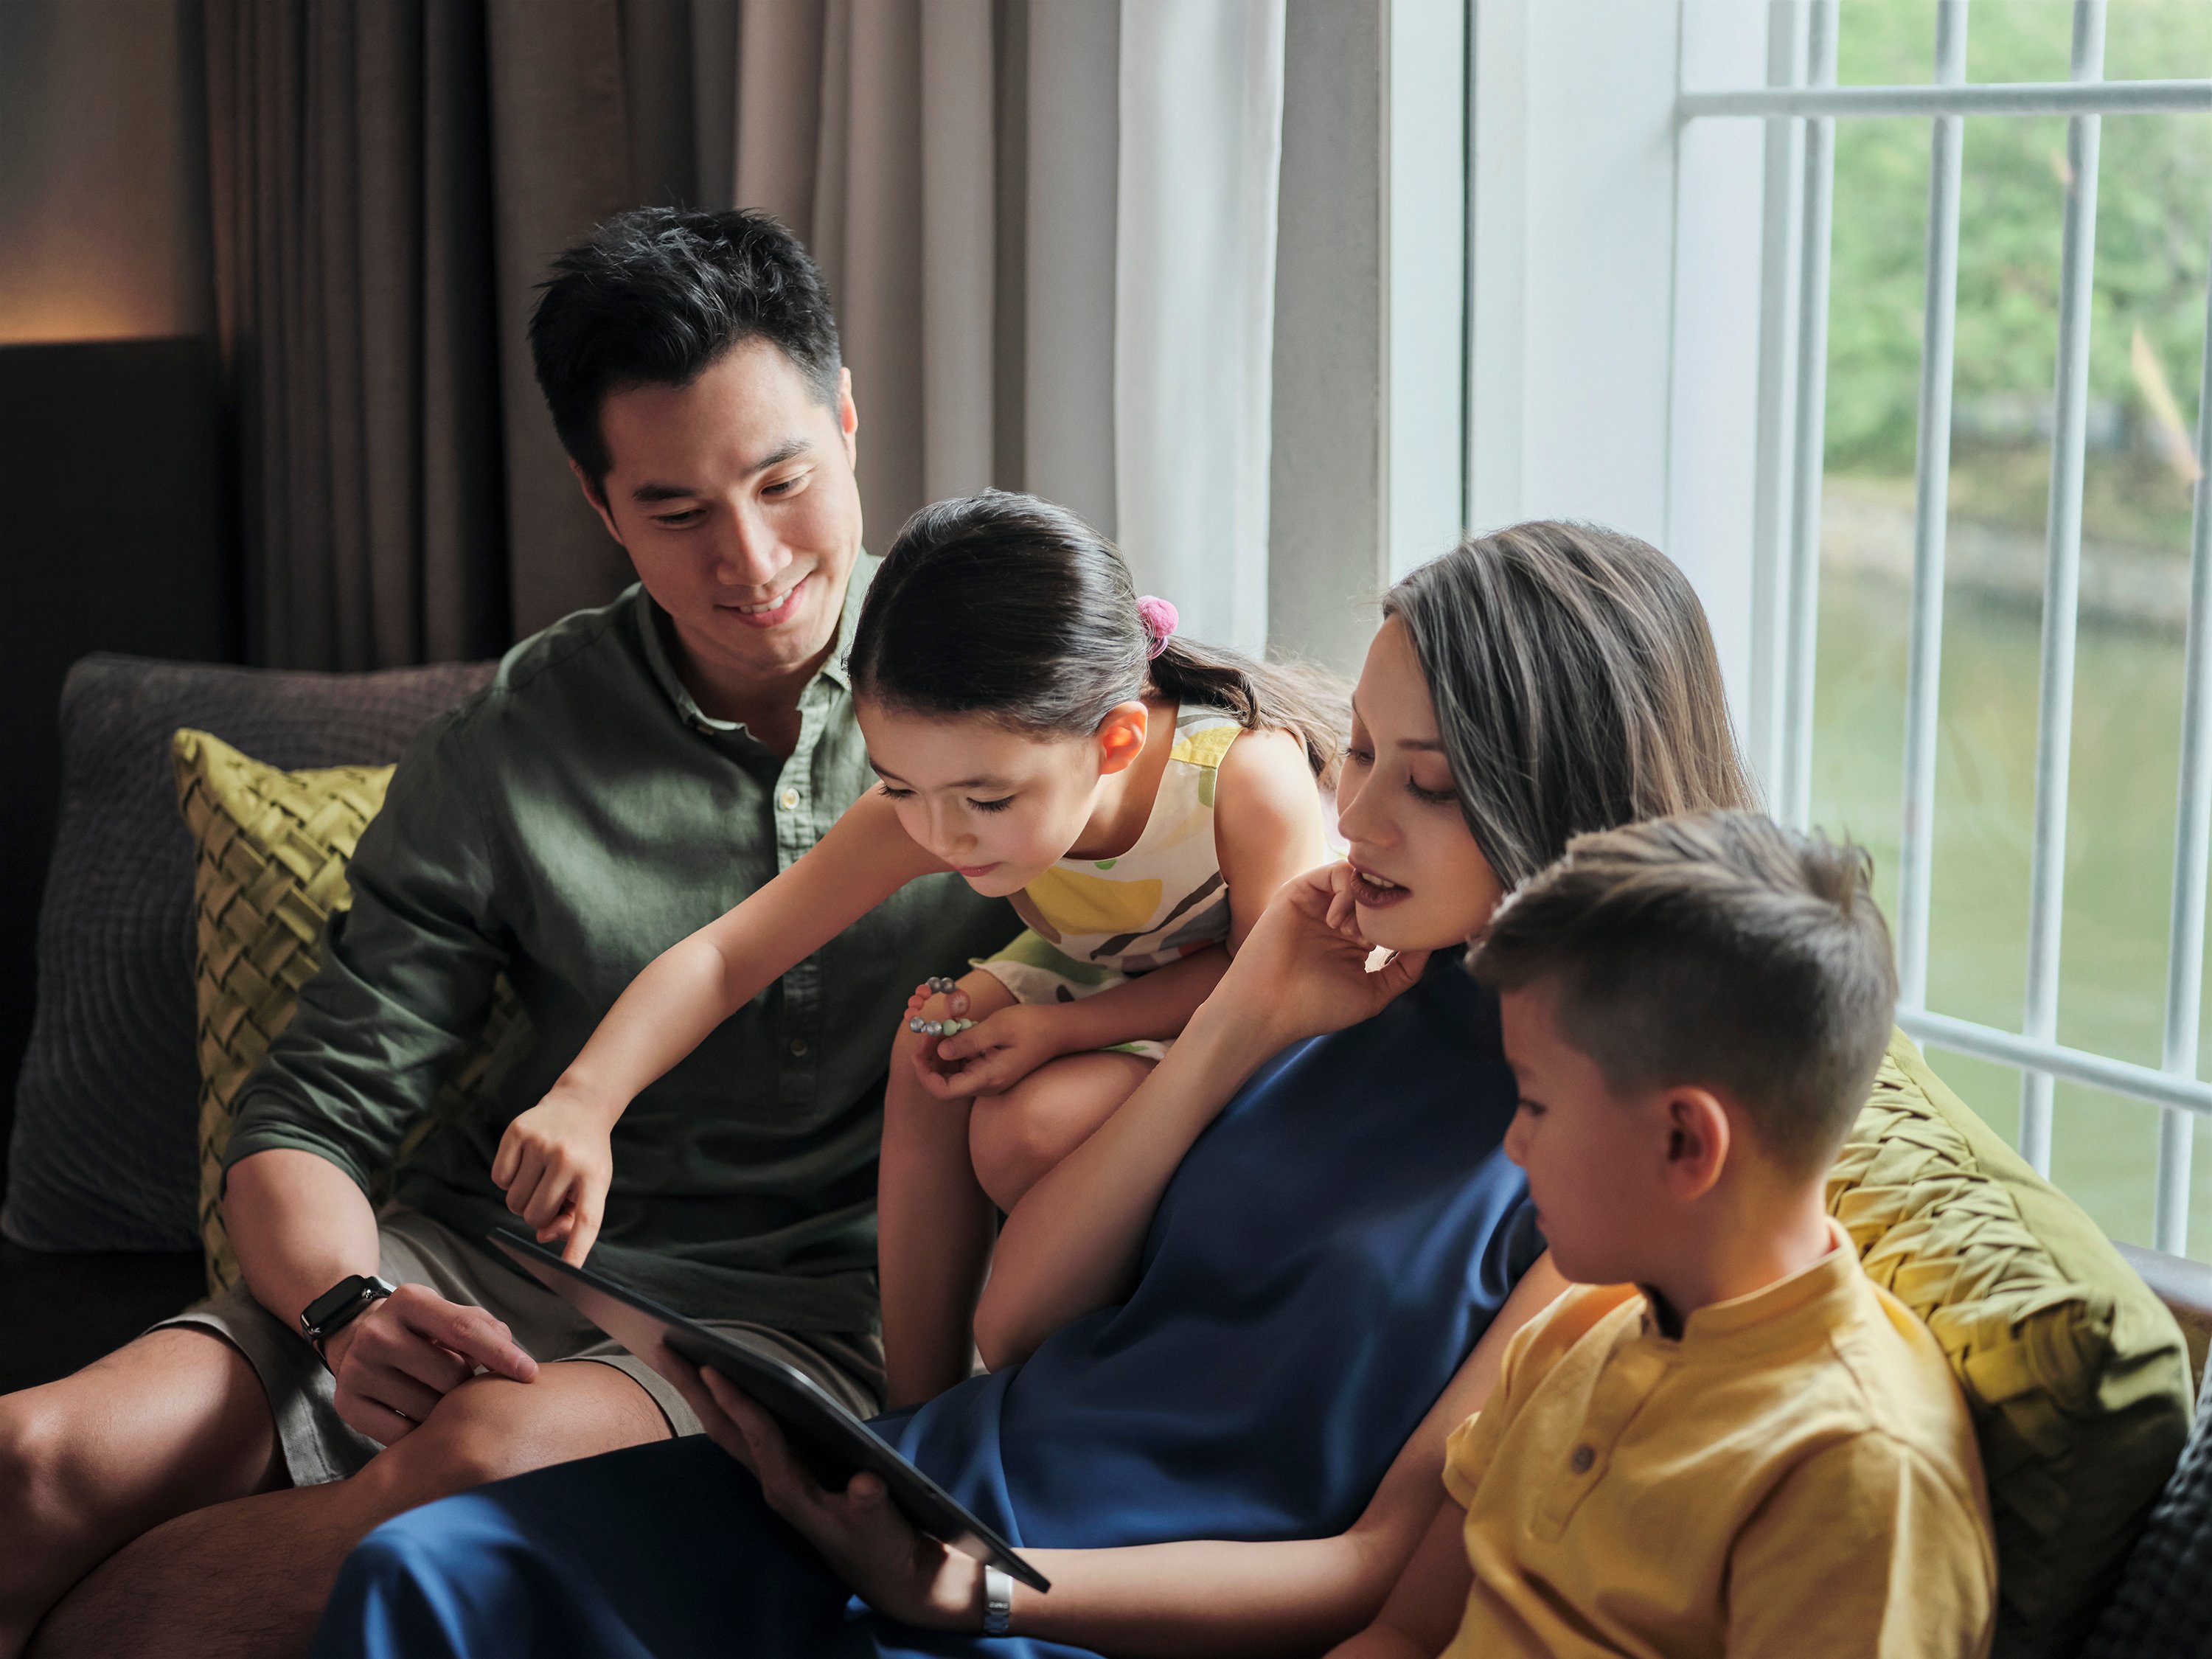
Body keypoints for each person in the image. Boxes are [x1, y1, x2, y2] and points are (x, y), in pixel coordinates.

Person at [309, 521, 1764, 1658]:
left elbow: (1372, 1575)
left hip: (1067, 1604)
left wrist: (985, 1602)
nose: (1356, 815)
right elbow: (1021, 1324)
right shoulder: (1341, 974)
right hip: (928, 1484)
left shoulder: (1614, 1167)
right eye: (1362, 754)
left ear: (1562, 799)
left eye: (1424, 785)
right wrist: (1247, 1009)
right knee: (428, 1577)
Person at [0, 209, 1023, 1659]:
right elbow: (309, 1118)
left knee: (485, 1455)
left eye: (784, 480)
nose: (750, 560)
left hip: (804, 1323)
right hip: (484, 1263)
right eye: (675, 511)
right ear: (600, 504)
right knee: (33, 1464)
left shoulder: (1003, 691)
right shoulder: (510, 742)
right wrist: (352, 1312)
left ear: (848, 426)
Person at [492, 488, 1338, 1405]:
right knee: (932, 1044)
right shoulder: (940, 805)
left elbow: (1269, 996)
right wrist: (587, 1098)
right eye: (899, 787)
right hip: (1116, 981)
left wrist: (1070, 1031)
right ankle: (915, 1411)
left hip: (1243, 1032)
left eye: (987, 801)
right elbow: (728, 957)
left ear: (1116, 741)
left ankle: (1061, 1398)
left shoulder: (1247, 785)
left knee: (1030, 1130)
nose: (943, 838)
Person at [1330, 811, 1997, 1659]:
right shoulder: (1576, 1330)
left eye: (1535, 1104)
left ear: (1685, 1142)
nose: (1515, 1144)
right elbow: (1401, 1634)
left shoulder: (1856, 1477)